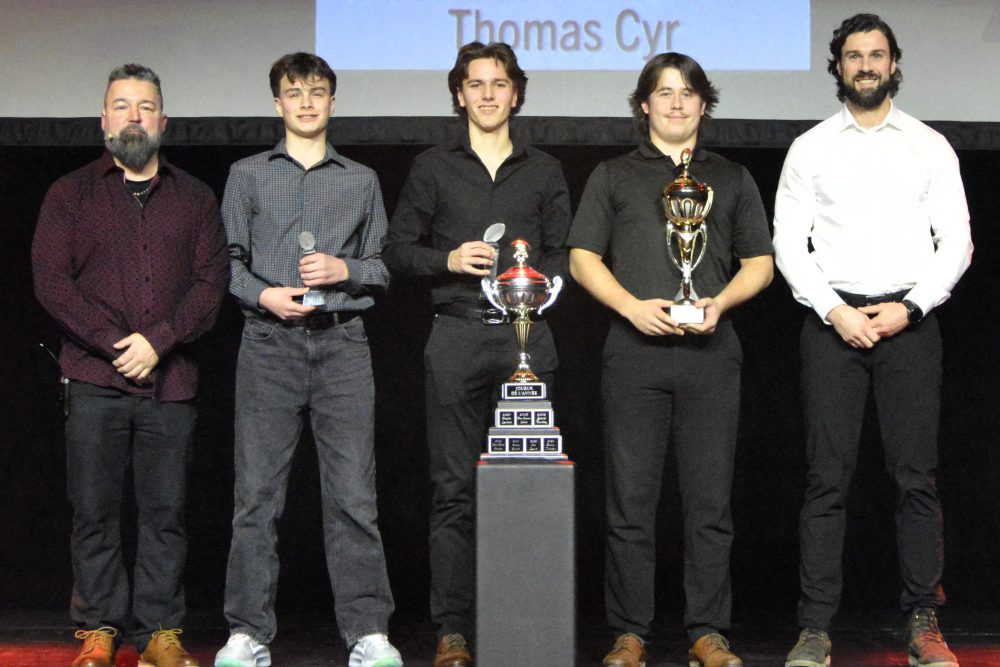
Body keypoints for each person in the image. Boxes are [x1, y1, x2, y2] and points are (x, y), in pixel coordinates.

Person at [772, 13, 972, 667]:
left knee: (915, 478)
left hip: (908, 323)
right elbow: (788, 245)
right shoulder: (809, 148)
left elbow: (958, 242)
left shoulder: (929, 146)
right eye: (854, 56)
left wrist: (910, 307)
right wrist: (835, 310)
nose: (866, 66)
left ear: (894, 64)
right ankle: (815, 628)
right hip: (833, 325)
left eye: (876, 55)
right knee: (826, 480)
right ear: (837, 67)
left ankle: (923, 620)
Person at [567, 53, 773, 667]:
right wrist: (630, 307)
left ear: (704, 104)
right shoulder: (613, 175)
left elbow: (760, 264)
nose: (677, 103)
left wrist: (720, 302)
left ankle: (707, 632)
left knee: (710, 505)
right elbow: (582, 257)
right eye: (664, 92)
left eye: (688, 93)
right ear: (644, 105)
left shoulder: (731, 177)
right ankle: (630, 633)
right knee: (630, 504)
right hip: (633, 355)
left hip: (711, 354)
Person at [32, 64, 228, 667]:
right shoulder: (69, 194)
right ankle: (98, 630)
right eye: (122, 106)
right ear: (104, 120)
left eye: (145, 107)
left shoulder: (196, 198)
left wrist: (158, 342)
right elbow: (51, 283)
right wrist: (120, 344)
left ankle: (160, 633)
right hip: (94, 380)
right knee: (94, 511)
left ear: (164, 120)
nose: (134, 117)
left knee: (166, 515)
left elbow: (211, 284)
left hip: (171, 383)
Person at [381, 41, 570, 667]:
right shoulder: (432, 167)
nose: (488, 94)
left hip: (526, 339)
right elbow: (397, 251)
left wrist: (534, 283)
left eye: (499, 83)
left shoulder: (544, 169)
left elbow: (566, 255)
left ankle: (524, 625)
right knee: (453, 491)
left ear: (517, 93)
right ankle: (453, 630)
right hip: (456, 336)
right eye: (476, 84)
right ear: (459, 95)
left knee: (528, 485)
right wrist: (449, 259)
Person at [213, 52, 401, 667]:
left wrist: (345, 269)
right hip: (269, 343)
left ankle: (368, 632)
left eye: (317, 92)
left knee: (353, 496)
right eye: (294, 93)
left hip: (342, 343)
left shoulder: (361, 179)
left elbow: (382, 268)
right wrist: (264, 294)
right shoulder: (247, 174)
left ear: (332, 102)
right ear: (277, 104)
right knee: (256, 496)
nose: (306, 103)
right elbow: (226, 264)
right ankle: (247, 632)